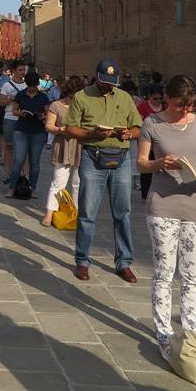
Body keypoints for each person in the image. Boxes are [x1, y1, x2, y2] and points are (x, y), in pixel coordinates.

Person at [136, 75, 196, 361]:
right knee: (164, 272)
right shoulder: (152, 124)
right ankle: (164, 334)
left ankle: (191, 335)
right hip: (163, 205)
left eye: (190, 105)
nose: (185, 111)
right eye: (179, 105)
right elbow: (141, 164)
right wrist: (160, 163)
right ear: (167, 99)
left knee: (191, 276)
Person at [64, 58, 142, 283]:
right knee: (88, 212)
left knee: (123, 212)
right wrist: (91, 134)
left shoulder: (125, 98)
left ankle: (124, 262)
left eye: (111, 82)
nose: (108, 86)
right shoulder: (82, 97)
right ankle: (82, 261)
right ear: (96, 77)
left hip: (121, 158)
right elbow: (70, 129)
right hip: (92, 156)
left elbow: (137, 126)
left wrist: (130, 133)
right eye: (104, 81)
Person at [42, 75, 83, 226]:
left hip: (80, 146)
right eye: (73, 96)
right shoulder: (56, 105)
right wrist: (60, 129)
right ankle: (49, 214)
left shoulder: (84, 107)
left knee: (78, 183)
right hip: (63, 145)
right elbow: (49, 126)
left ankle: (77, 213)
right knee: (58, 181)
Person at [4, 71, 49, 198]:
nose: (32, 89)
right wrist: (21, 113)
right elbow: (14, 111)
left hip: (38, 132)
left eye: (34, 86)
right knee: (18, 160)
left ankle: (32, 188)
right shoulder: (21, 95)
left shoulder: (43, 97)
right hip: (21, 130)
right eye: (30, 86)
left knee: (34, 162)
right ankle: (12, 187)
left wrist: (42, 116)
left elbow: (47, 114)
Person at [0, 61, 27, 179]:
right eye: (20, 70)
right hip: (10, 117)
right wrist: (11, 98)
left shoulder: (27, 85)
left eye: (23, 70)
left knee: (23, 147)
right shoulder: (7, 85)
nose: (22, 72)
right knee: (9, 146)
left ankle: (23, 173)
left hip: (23, 118)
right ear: (14, 71)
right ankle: (7, 171)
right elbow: (1, 102)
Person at [137, 83, 165, 200]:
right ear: (149, 96)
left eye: (160, 98)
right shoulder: (142, 107)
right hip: (147, 142)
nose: (158, 101)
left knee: (162, 168)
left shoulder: (165, 107)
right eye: (155, 98)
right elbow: (138, 123)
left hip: (161, 141)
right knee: (146, 168)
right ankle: (145, 195)